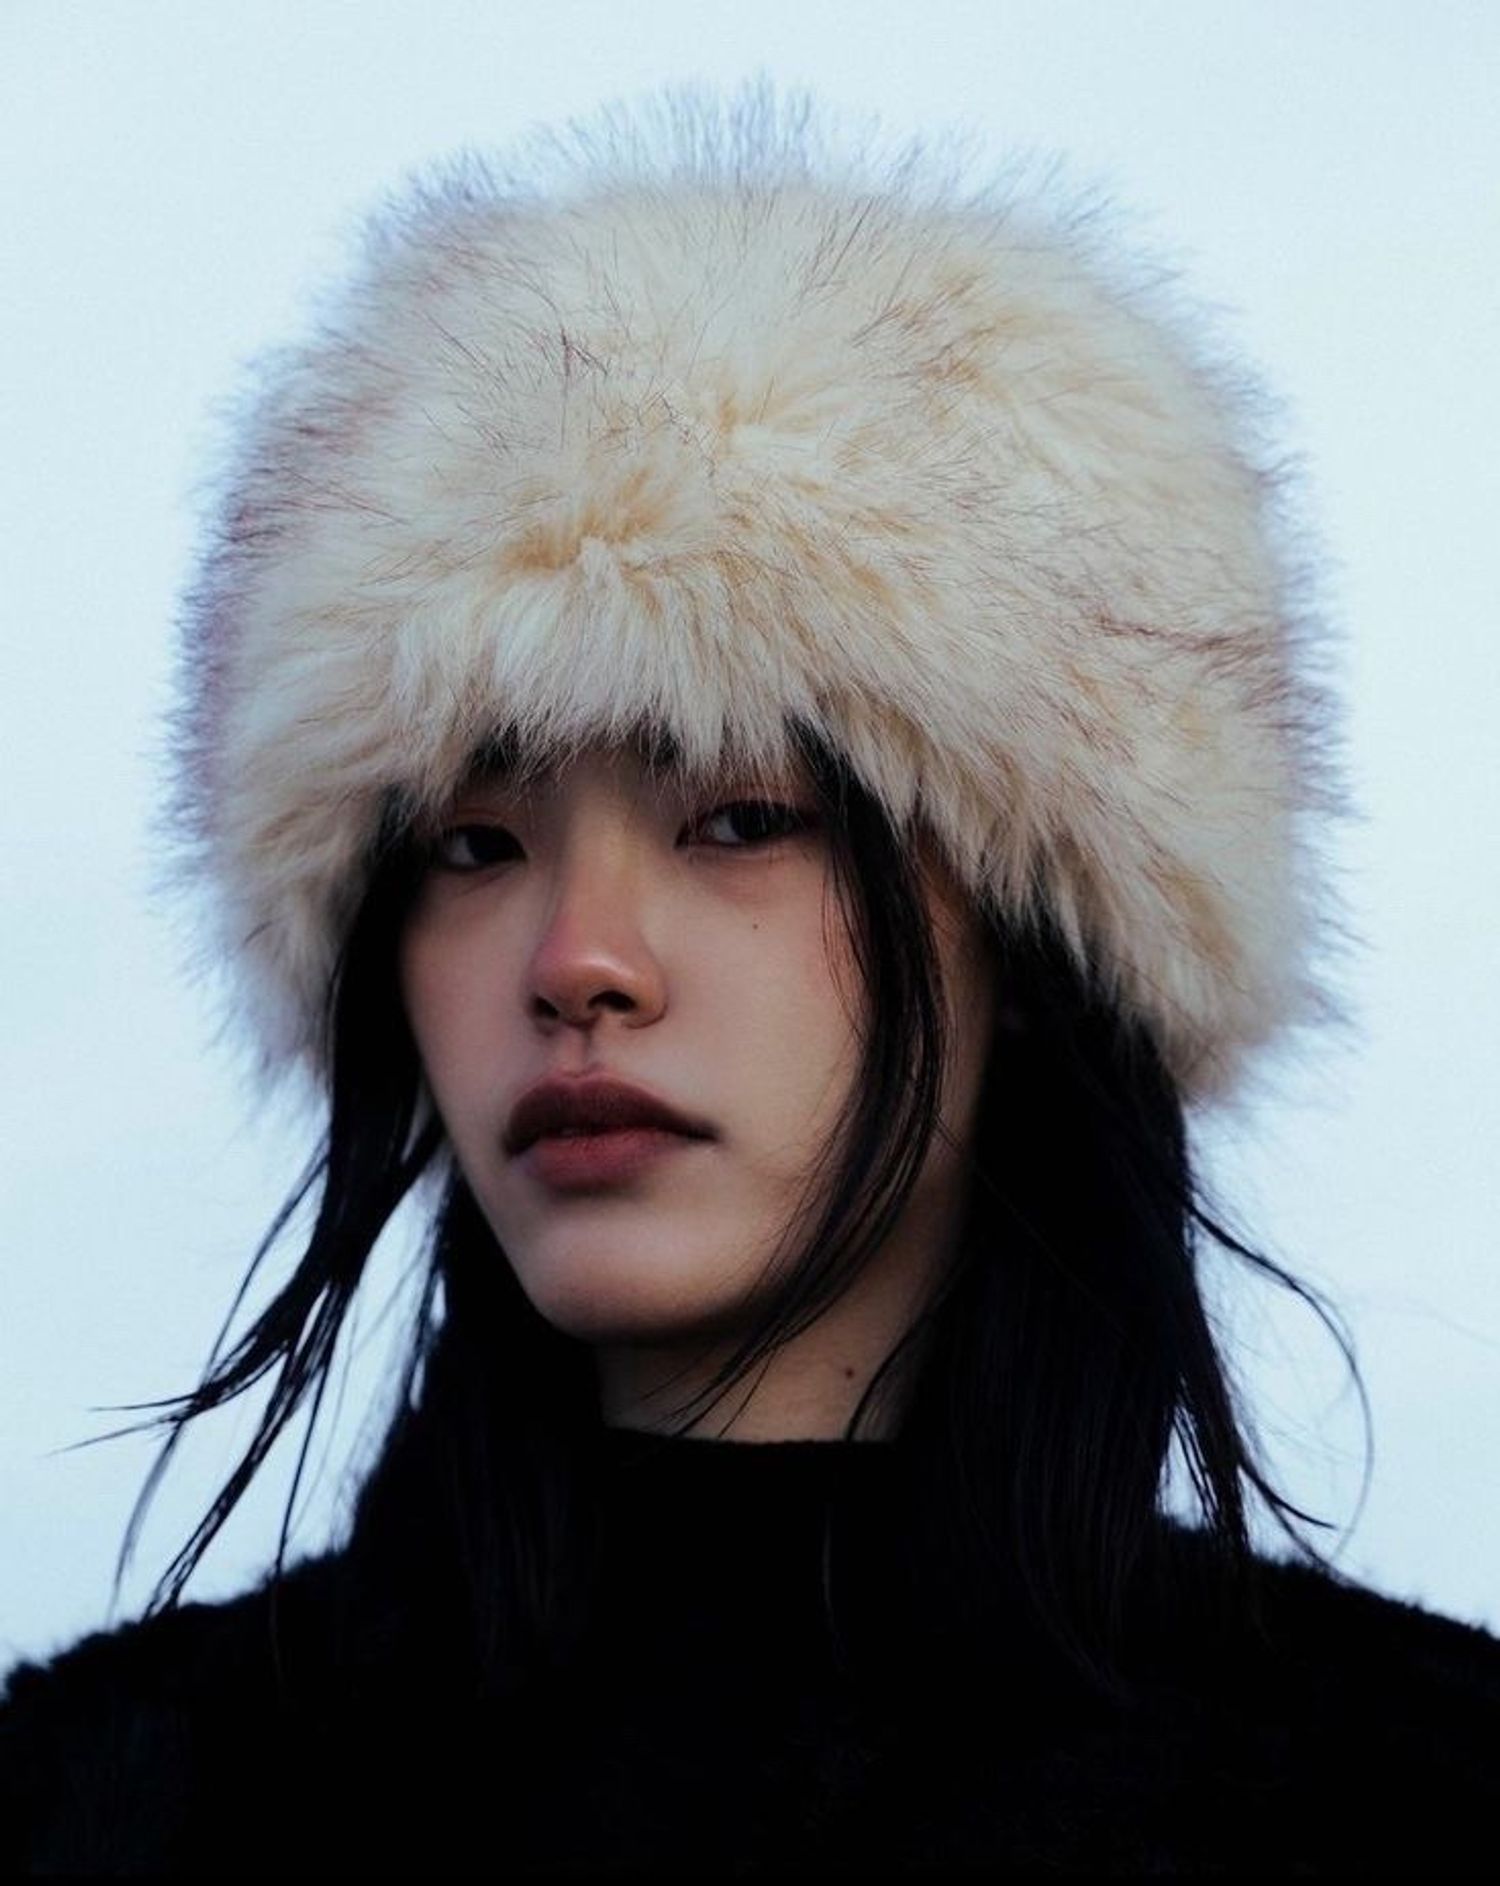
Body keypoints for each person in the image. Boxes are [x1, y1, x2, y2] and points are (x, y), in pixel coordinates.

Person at [3, 84, 1496, 1879]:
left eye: (739, 817)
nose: (579, 959)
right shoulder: (99, 1809)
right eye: (473, 843)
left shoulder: (1417, 1803)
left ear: (1038, 928)